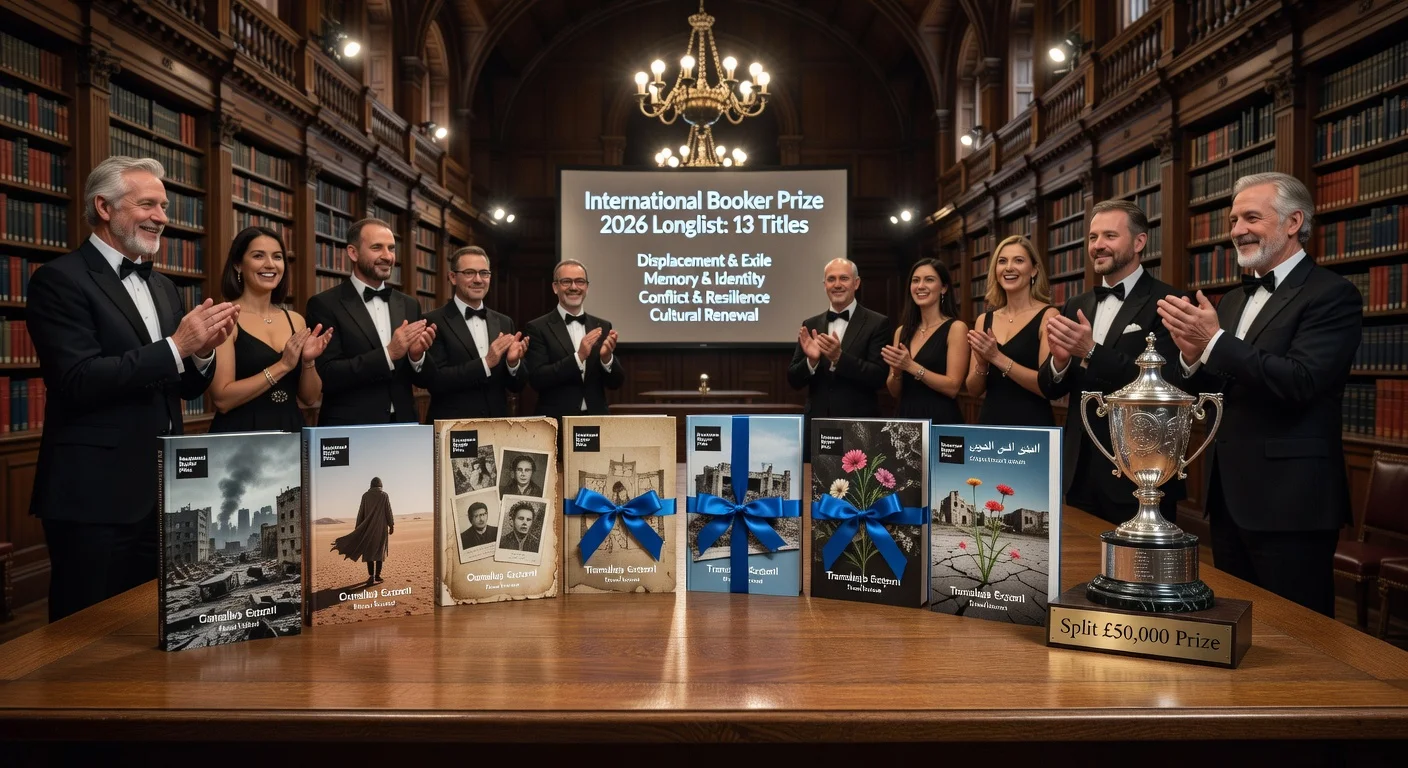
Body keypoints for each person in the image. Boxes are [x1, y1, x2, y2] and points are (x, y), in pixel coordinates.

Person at [27, 156, 239, 621]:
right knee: (84, 631)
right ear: (104, 207)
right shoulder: (59, 281)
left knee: (147, 627)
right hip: (94, 495)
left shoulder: (163, 287)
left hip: (163, 493)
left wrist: (201, 352)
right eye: (148, 204)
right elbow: (77, 380)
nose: (162, 216)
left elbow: (181, 388)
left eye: (163, 206)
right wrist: (177, 345)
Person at [1157, 172, 1362, 617]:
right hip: (1228, 495)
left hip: (1292, 502)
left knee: (1299, 633)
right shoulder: (1230, 301)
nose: (1236, 230)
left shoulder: (1333, 295)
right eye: (1233, 220)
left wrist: (1214, 342)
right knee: (1239, 627)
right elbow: (1215, 389)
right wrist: (1193, 356)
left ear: (1293, 222)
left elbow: (1301, 381)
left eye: (1251, 217)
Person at [1039, 200, 1186, 526]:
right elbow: (1049, 388)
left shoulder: (1169, 302)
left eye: (1109, 236)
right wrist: (1060, 363)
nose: (1097, 246)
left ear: (1138, 242)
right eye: (1092, 237)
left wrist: (1090, 351)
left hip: (1142, 471)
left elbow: (1165, 381)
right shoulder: (1077, 303)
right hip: (1079, 466)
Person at [305, 218, 437, 426]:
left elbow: (423, 380)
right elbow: (327, 375)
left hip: (404, 425)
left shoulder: (409, 305)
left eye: (391, 248)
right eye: (377, 247)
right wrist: (389, 354)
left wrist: (416, 356)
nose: (387, 256)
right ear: (353, 252)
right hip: (350, 427)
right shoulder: (324, 304)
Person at [208, 226, 332, 433]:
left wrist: (308, 361)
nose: (270, 264)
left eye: (277, 257)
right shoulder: (224, 318)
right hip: (240, 435)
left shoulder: (296, 321)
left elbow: (310, 398)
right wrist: (283, 365)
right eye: (258, 256)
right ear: (238, 265)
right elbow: (222, 398)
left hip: (291, 431)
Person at [788, 258, 891, 447]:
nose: (837, 285)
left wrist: (839, 358)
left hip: (860, 427)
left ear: (856, 283)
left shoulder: (878, 323)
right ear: (824, 285)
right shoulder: (810, 324)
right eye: (831, 279)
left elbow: (879, 377)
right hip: (817, 427)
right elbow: (794, 380)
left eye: (844, 278)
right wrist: (811, 362)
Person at [425, 246, 527, 421]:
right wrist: (486, 363)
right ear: (452, 277)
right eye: (469, 273)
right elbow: (435, 381)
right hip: (454, 427)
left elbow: (517, 386)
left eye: (484, 273)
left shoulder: (504, 322)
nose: (478, 280)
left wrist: (513, 364)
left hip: (496, 425)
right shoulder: (433, 321)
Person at [965, 236, 1058, 426]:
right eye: (1002, 261)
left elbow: (1046, 385)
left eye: (1018, 260)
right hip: (991, 424)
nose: (1009, 267)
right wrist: (982, 365)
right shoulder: (984, 320)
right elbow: (973, 390)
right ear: (996, 271)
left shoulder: (1049, 316)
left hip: (1032, 425)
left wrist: (996, 357)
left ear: (1034, 270)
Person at [524, 259, 624, 417]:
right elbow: (537, 379)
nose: (574, 287)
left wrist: (607, 359)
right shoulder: (537, 327)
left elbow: (615, 383)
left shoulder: (602, 326)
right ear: (555, 287)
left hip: (596, 419)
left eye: (580, 281)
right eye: (566, 282)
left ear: (587, 287)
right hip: (556, 421)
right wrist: (579, 357)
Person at [882, 258, 968, 424]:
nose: (920, 286)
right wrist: (897, 372)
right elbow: (894, 391)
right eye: (915, 280)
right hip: (906, 419)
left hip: (940, 418)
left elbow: (953, 387)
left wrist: (910, 366)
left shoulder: (956, 328)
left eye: (929, 280)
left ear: (943, 288)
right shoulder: (902, 331)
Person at [331, 476, 395, 588]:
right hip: (381, 529)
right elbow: (388, 511)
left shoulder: (365, 496)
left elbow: (361, 512)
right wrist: (391, 525)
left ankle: (371, 576)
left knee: (369, 552)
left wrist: (358, 528)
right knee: (380, 552)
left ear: (371, 485)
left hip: (367, 529)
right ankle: (378, 576)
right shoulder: (384, 495)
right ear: (380, 485)